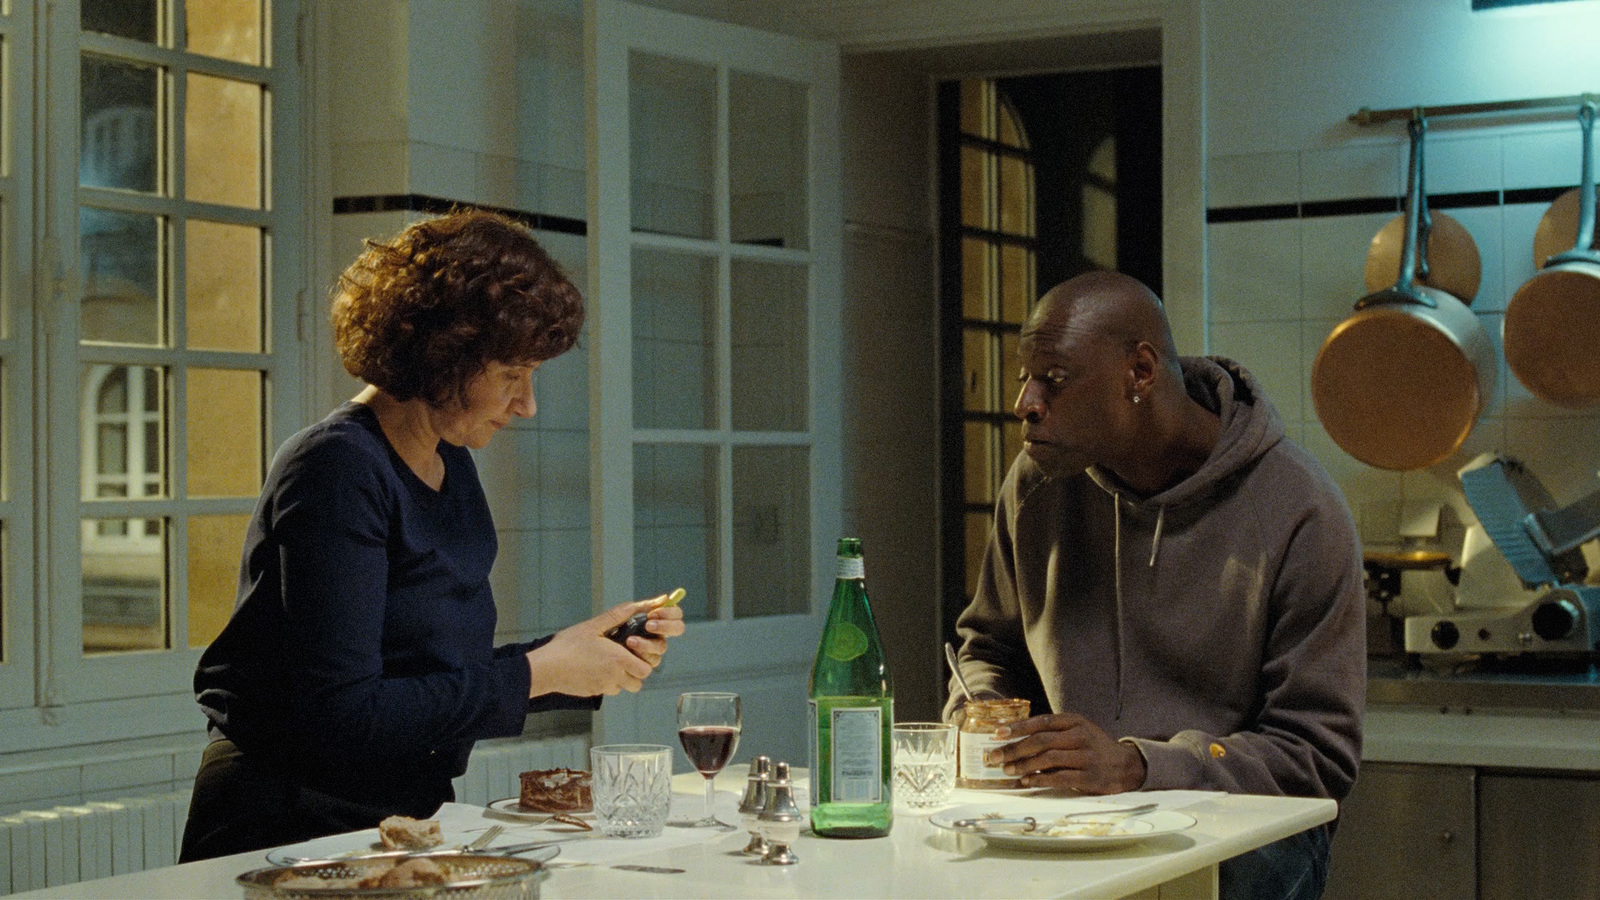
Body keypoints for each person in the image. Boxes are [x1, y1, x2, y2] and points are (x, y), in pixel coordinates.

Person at [180, 208, 685, 862]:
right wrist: (540, 671)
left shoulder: (453, 467)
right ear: (443, 353)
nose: (528, 404)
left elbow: (431, 681)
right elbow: (344, 713)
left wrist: (582, 656)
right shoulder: (337, 469)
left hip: (388, 821)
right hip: (285, 828)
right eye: (512, 374)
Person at [945, 271, 1364, 900]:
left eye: (1053, 380)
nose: (1025, 403)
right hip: (1067, 819)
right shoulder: (1037, 486)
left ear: (1139, 373)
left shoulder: (1300, 509)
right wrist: (986, 721)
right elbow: (988, 651)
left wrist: (1139, 766)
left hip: (1241, 831)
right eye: (1025, 378)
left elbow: (1315, 757)